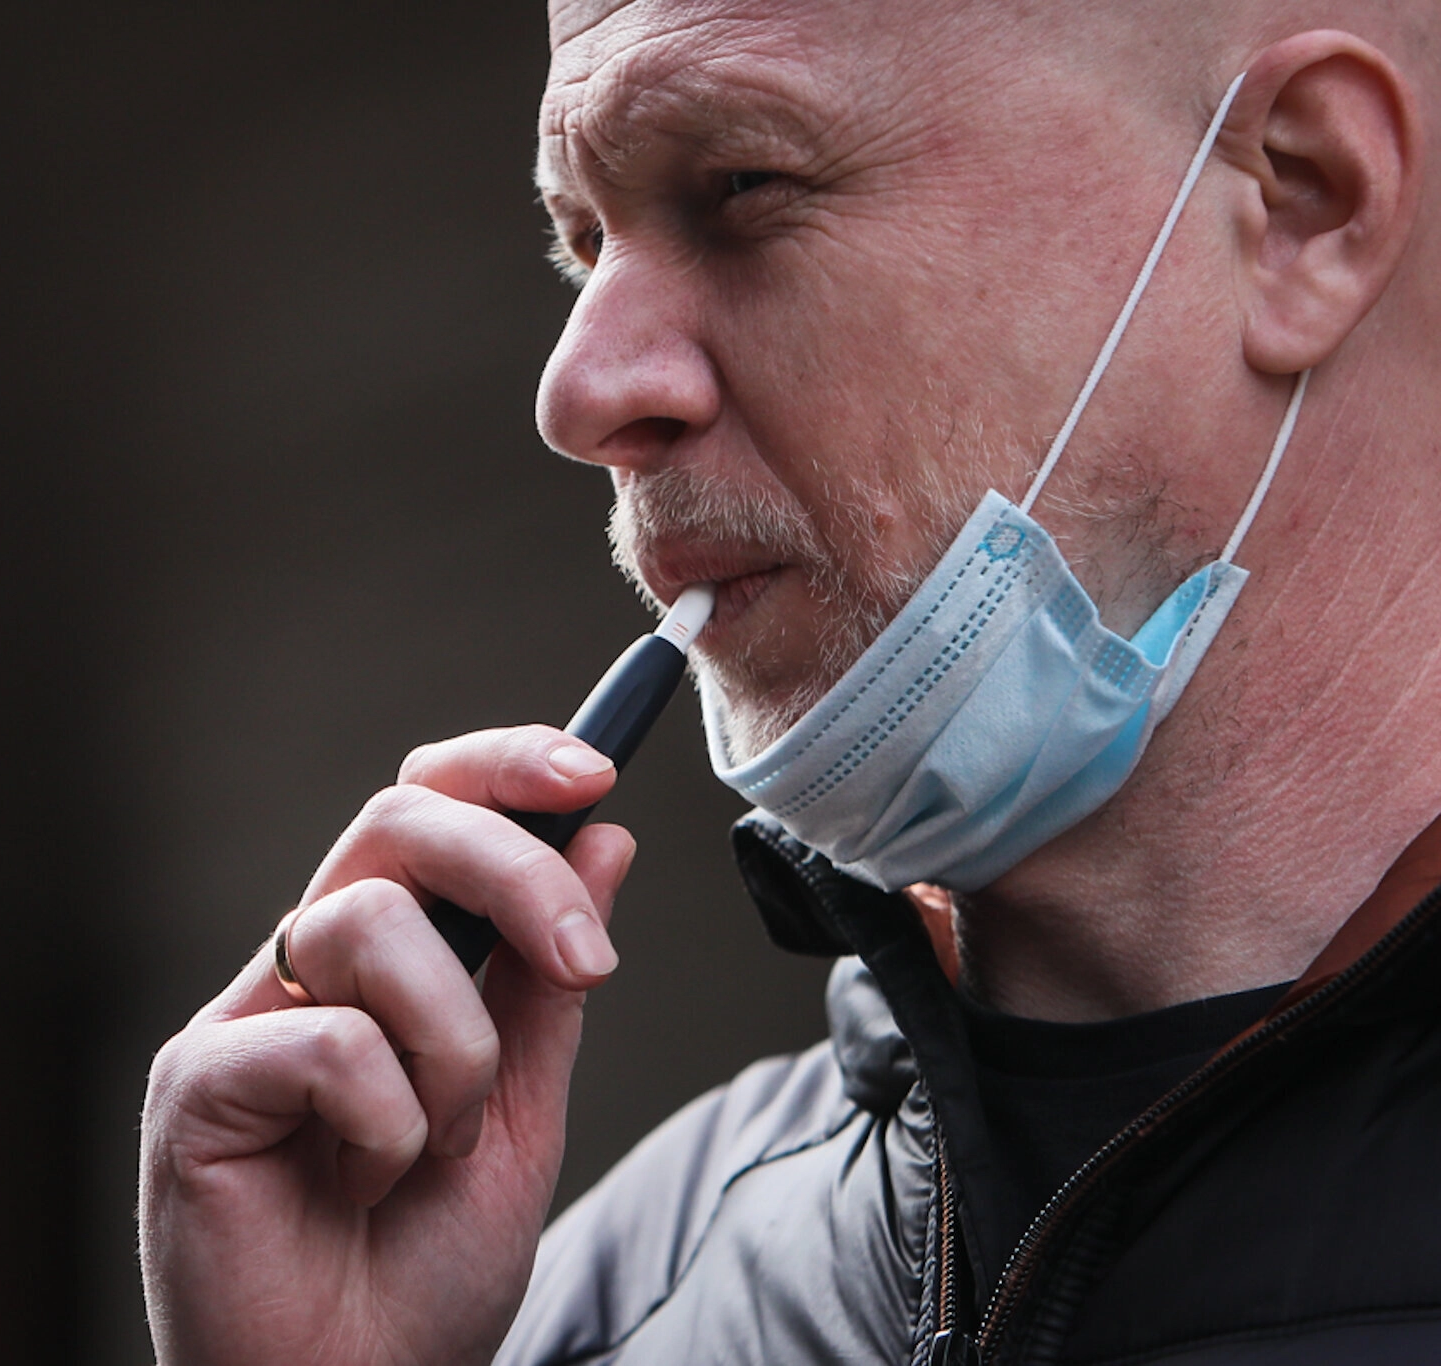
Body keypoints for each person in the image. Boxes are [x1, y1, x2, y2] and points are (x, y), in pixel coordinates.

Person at [139, 0, 1441, 1360]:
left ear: (1304, 199)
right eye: (584, 240)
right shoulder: (600, 1301)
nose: (579, 389)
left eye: (742, 185)